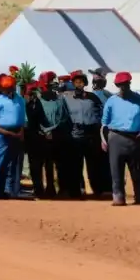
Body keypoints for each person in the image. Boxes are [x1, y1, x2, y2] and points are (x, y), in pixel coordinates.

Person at [101, 71, 140, 206]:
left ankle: (139, 197)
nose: (123, 87)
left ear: (129, 84)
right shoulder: (112, 100)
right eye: (120, 85)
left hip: (135, 137)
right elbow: (105, 122)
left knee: (137, 169)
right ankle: (118, 196)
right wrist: (104, 139)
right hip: (116, 137)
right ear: (117, 85)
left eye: (126, 84)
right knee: (116, 169)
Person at [61, 70, 108, 199]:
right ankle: (75, 191)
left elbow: (101, 113)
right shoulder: (66, 98)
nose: (79, 84)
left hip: (91, 134)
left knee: (94, 165)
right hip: (75, 134)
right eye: (76, 82)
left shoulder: (93, 97)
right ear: (73, 83)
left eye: (81, 82)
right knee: (75, 165)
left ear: (85, 83)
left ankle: (97, 190)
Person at [27, 78, 71, 199]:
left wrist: (53, 129)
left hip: (56, 136)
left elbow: (64, 117)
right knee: (37, 165)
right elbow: (33, 119)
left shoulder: (60, 101)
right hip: (39, 137)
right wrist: (45, 131)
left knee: (55, 164)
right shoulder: (35, 102)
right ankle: (38, 189)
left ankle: (54, 188)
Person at [0, 75, 26, 200]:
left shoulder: (19, 99)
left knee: (13, 163)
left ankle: (8, 190)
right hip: (2, 133)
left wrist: (21, 132)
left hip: (17, 132)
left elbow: (24, 117)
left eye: (10, 88)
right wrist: (4, 132)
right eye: (5, 88)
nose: (7, 91)